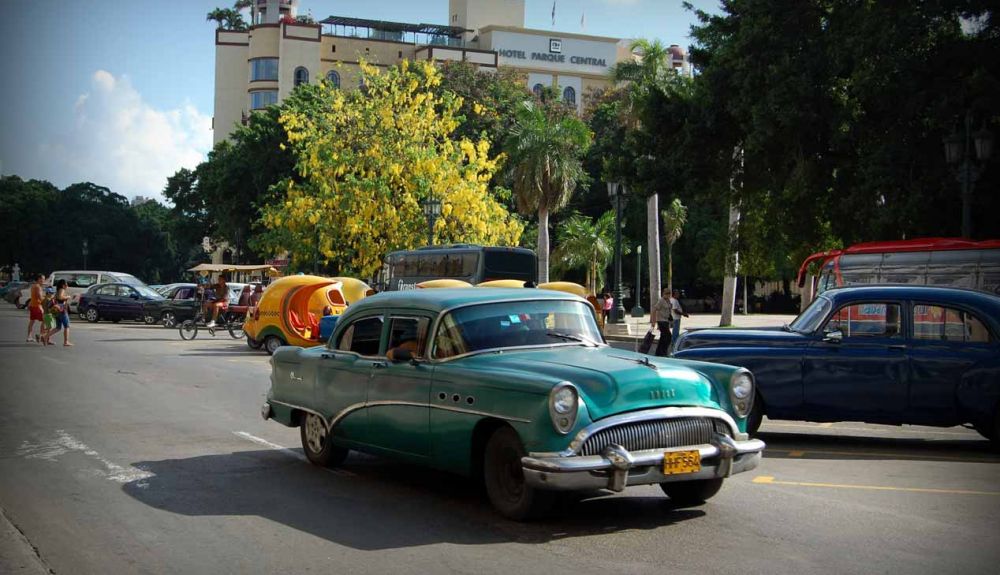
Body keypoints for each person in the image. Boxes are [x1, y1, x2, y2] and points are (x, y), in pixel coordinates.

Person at [650, 287, 674, 356]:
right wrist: (653, 321)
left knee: (663, 337)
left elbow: (669, 310)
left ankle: (660, 352)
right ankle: (662, 351)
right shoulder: (661, 301)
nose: (668, 295)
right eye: (666, 294)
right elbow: (654, 310)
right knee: (668, 336)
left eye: (669, 294)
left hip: (666, 320)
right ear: (664, 294)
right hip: (661, 321)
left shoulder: (668, 301)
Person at [49, 279, 73, 346]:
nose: (67, 286)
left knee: (58, 327)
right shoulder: (62, 290)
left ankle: (44, 336)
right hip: (61, 310)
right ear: (63, 285)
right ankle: (66, 341)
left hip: (57, 310)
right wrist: (67, 297)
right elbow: (60, 297)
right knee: (67, 326)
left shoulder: (58, 290)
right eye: (66, 284)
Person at [26, 274, 45, 342]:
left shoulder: (34, 286)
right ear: (39, 279)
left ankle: (29, 337)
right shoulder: (38, 287)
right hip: (37, 306)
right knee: (45, 320)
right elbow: (39, 297)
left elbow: (34, 296)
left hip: (33, 305)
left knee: (32, 321)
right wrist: (47, 300)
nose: (44, 280)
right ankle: (40, 335)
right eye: (43, 279)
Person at [670, 288, 690, 353]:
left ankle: (674, 342)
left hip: (676, 317)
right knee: (675, 331)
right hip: (676, 318)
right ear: (674, 294)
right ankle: (674, 342)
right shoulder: (674, 301)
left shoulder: (673, 300)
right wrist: (683, 314)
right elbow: (675, 310)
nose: (678, 295)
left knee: (675, 330)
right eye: (677, 294)